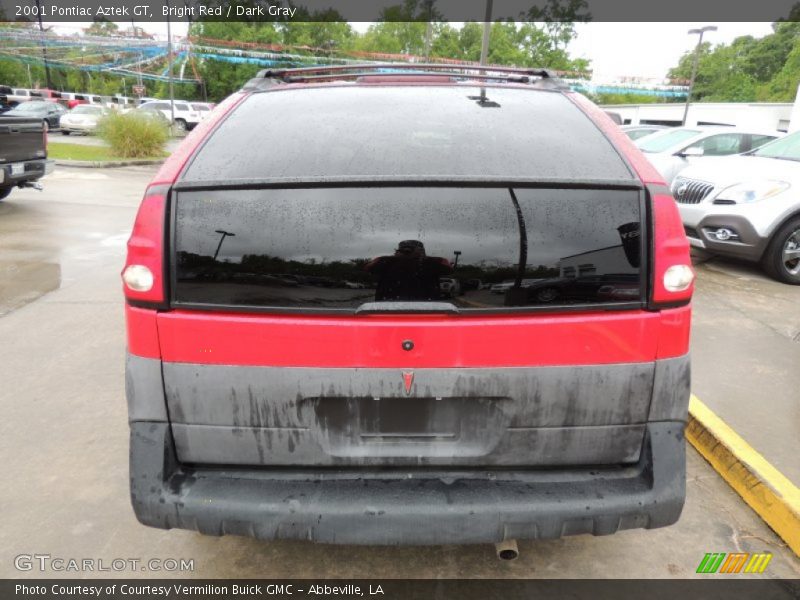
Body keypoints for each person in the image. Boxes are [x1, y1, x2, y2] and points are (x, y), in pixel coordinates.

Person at [365, 240, 452, 301]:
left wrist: (420, 258)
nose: (407, 253)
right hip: (426, 309)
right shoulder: (387, 262)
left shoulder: (430, 263)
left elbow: (448, 268)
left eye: (410, 250)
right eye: (405, 251)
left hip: (389, 308)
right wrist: (396, 258)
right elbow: (369, 267)